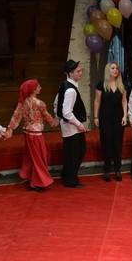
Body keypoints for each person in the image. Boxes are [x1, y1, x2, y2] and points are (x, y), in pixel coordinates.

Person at [4, 79, 58, 191]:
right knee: (40, 158)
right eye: (38, 86)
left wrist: (10, 129)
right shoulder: (39, 103)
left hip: (28, 133)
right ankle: (38, 182)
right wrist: (55, 121)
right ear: (33, 90)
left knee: (32, 157)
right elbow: (47, 117)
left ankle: (33, 180)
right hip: (36, 135)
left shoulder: (22, 102)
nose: (40, 88)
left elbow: (16, 116)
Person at [55, 60, 87, 188]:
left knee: (72, 153)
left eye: (81, 70)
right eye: (78, 71)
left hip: (68, 126)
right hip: (72, 127)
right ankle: (71, 180)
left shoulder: (64, 85)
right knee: (76, 153)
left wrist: (58, 117)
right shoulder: (71, 90)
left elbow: (56, 103)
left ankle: (67, 176)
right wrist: (79, 124)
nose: (81, 73)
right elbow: (67, 112)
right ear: (70, 73)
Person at [94, 62, 128, 182]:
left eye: (117, 68)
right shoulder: (101, 84)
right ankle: (107, 170)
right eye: (113, 68)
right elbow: (97, 101)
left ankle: (118, 169)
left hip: (118, 118)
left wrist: (125, 116)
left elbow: (124, 101)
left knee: (117, 144)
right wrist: (96, 117)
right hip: (105, 118)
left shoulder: (122, 84)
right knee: (106, 143)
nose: (115, 70)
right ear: (108, 70)